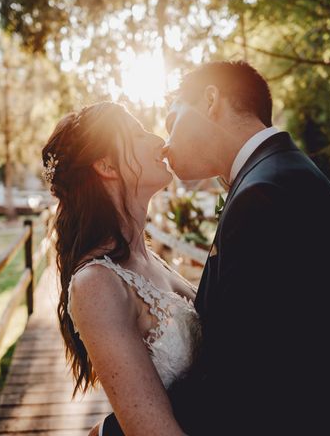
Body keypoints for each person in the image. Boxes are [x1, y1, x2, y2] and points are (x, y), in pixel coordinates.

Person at [99, 61, 330, 435]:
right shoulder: (280, 174)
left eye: (173, 121)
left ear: (210, 101)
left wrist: (116, 431)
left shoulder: (264, 195)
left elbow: (235, 378)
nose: (166, 142)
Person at [41, 101, 199, 436]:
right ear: (106, 165)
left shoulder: (149, 259)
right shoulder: (96, 284)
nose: (159, 141)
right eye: (139, 134)